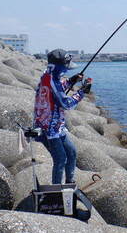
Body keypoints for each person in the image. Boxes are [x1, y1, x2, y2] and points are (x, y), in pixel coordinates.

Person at [33, 49, 92, 184]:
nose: (67, 69)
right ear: (60, 67)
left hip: (56, 125)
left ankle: (70, 182)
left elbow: (59, 86)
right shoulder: (51, 80)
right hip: (49, 128)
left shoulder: (47, 75)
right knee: (60, 159)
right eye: (66, 67)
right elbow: (66, 104)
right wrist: (81, 93)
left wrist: (72, 80)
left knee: (71, 153)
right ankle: (56, 191)